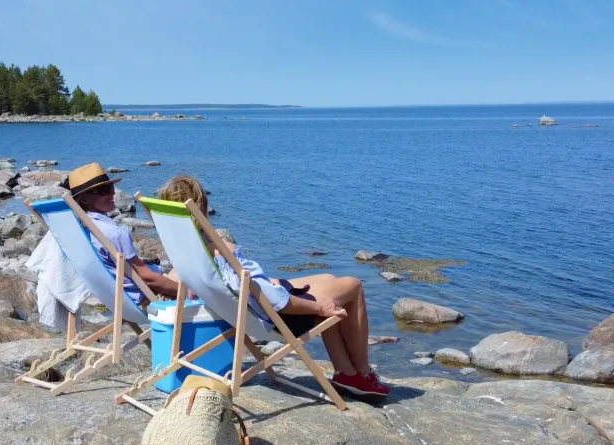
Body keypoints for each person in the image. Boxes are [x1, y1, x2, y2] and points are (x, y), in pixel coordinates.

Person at [156, 175, 389, 402]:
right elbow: (278, 302)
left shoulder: (187, 250)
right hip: (278, 316)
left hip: (249, 309)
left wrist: (267, 282)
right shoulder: (221, 250)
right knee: (353, 286)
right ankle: (362, 373)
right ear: (202, 209)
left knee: (328, 278)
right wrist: (318, 307)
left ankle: (345, 373)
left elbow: (247, 288)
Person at [60, 162, 179, 303]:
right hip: (143, 295)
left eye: (111, 187)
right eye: (104, 190)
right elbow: (146, 277)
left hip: (113, 299)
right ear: (84, 198)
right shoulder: (114, 233)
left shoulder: (80, 230)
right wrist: (185, 291)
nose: (113, 193)